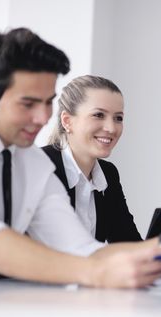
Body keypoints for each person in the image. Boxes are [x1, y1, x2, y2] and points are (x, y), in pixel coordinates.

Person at [0, 27, 161, 288]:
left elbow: (79, 246)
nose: (43, 117)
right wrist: (93, 272)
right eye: (28, 104)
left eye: (47, 103)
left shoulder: (32, 163)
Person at [42, 75, 141, 243]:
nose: (111, 128)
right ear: (67, 121)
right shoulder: (39, 165)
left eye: (118, 118)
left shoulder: (108, 174)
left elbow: (126, 241)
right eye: (98, 115)